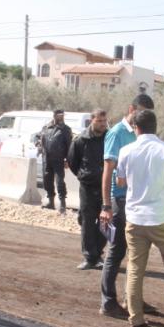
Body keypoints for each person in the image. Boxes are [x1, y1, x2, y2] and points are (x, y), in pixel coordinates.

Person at [116, 109, 164, 327]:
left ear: (136, 128)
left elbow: (121, 181)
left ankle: (136, 320)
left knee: (135, 269)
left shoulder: (126, 151)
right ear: (155, 126)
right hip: (162, 217)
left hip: (135, 219)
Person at [98, 94, 155, 318]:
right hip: (119, 201)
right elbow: (107, 172)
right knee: (117, 251)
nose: (141, 117)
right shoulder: (116, 134)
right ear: (131, 109)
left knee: (136, 252)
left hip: (135, 200)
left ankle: (132, 298)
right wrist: (106, 206)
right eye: (139, 112)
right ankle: (108, 302)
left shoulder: (139, 134)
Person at [69, 109, 108, 270]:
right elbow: (73, 161)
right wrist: (84, 175)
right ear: (92, 120)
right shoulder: (80, 140)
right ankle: (89, 257)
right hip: (88, 188)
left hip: (105, 187)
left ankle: (98, 254)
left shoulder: (109, 137)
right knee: (87, 222)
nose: (103, 124)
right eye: (99, 121)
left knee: (105, 222)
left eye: (105, 121)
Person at [40, 109, 73, 213]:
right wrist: (37, 143)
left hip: (59, 159)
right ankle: (51, 202)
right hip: (47, 158)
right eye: (59, 115)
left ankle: (62, 204)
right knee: (47, 180)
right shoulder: (46, 127)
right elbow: (39, 137)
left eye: (62, 115)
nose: (61, 117)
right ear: (54, 116)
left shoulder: (66, 130)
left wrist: (68, 159)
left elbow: (69, 145)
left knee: (59, 182)